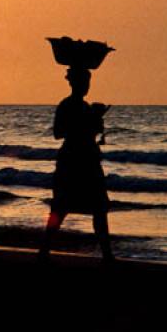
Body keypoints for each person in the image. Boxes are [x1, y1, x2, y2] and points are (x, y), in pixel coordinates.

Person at [38, 66, 115, 263]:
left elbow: (93, 132)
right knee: (63, 207)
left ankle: (107, 254)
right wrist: (87, 120)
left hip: (85, 159)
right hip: (74, 160)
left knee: (97, 208)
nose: (86, 86)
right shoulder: (66, 105)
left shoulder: (84, 107)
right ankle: (45, 250)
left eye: (87, 82)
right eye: (84, 82)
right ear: (75, 83)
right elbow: (58, 133)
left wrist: (96, 118)